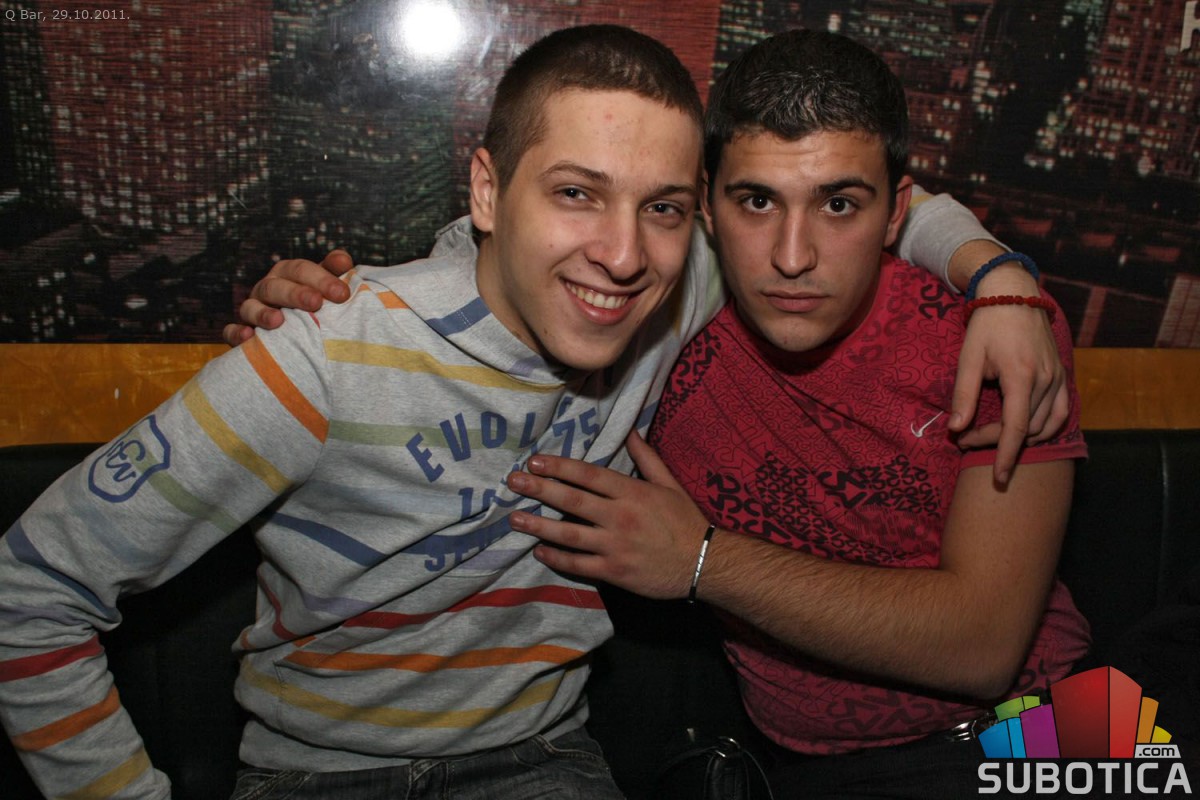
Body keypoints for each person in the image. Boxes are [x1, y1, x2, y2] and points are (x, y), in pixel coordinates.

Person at [1, 24, 1056, 800]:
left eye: (661, 207)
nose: (622, 254)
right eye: (575, 193)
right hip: (317, 774)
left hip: (547, 759)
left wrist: (1002, 278)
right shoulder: (326, 351)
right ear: (486, 191)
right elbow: (29, 589)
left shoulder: (692, 287)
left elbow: (847, 190)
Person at [499, 30, 1090, 798]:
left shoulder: (993, 336)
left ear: (895, 213)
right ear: (706, 205)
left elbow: (983, 645)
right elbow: (505, 272)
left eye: (838, 205)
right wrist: (342, 302)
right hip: (807, 770)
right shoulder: (653, 320)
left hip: (1046, 728)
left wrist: (702, 561)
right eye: (756, 201)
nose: (791, 257)